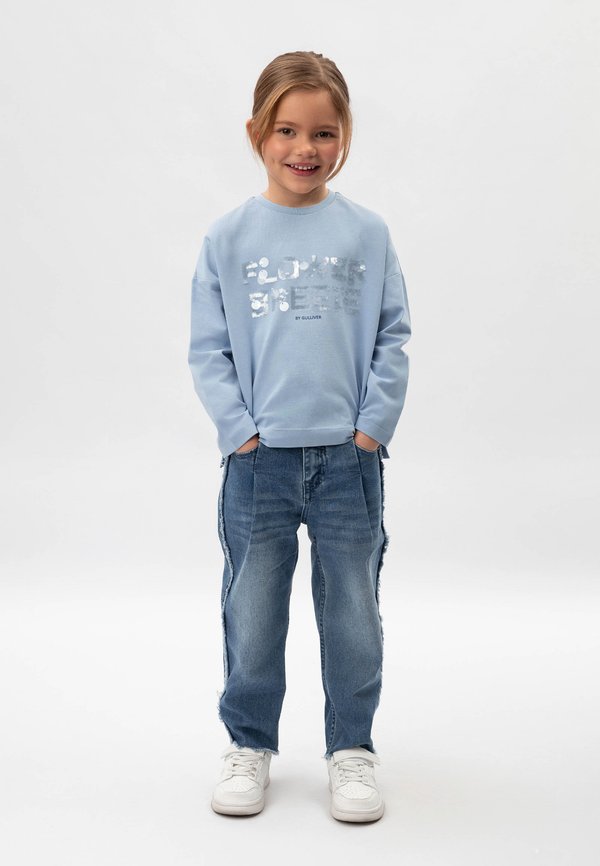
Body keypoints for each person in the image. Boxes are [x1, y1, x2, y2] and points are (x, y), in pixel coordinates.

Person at [188, 50, 411, 823]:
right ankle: (248, 743)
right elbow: (209, 349)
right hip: (259, 466)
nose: (304, 148)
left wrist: (371, 431)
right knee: (252, 611)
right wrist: (241, 434)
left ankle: (352, 750)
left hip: (349, 462)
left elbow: (392, 336)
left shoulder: (366, 233)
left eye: (323, 131)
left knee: (352, 611)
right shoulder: (229, 237)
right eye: (287, 130)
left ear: (344, 134)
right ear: (257, 132)